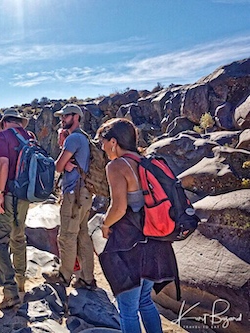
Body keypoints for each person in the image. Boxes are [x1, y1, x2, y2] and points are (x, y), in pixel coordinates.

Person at [97, 118, 178, 333]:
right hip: (155, 241)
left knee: (128, 308)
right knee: (145, 301)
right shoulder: (145, 161)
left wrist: (105, 225)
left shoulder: (116, 165)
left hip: (130, 245)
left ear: (113, 142)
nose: (102, 147)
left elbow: (119, 207)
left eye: (103, 142)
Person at [43, 104, 96, 289]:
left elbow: (58, 166)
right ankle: (87, 278)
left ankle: (64, 276)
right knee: (82, 235)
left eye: (66, 116)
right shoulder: (83, 137)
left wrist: (62, 160)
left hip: (74, 194)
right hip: (85, 193)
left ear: (76, 117)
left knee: (66, 235)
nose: (62, 119)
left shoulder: (73, 138)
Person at [0, 108, 32, 310]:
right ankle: (21, 282)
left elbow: (3, 164)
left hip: (6, 194)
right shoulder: (29, 137)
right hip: (24, 196)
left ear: (5, 122)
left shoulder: (3, 136)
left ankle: (10, 292)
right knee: (19, 237)